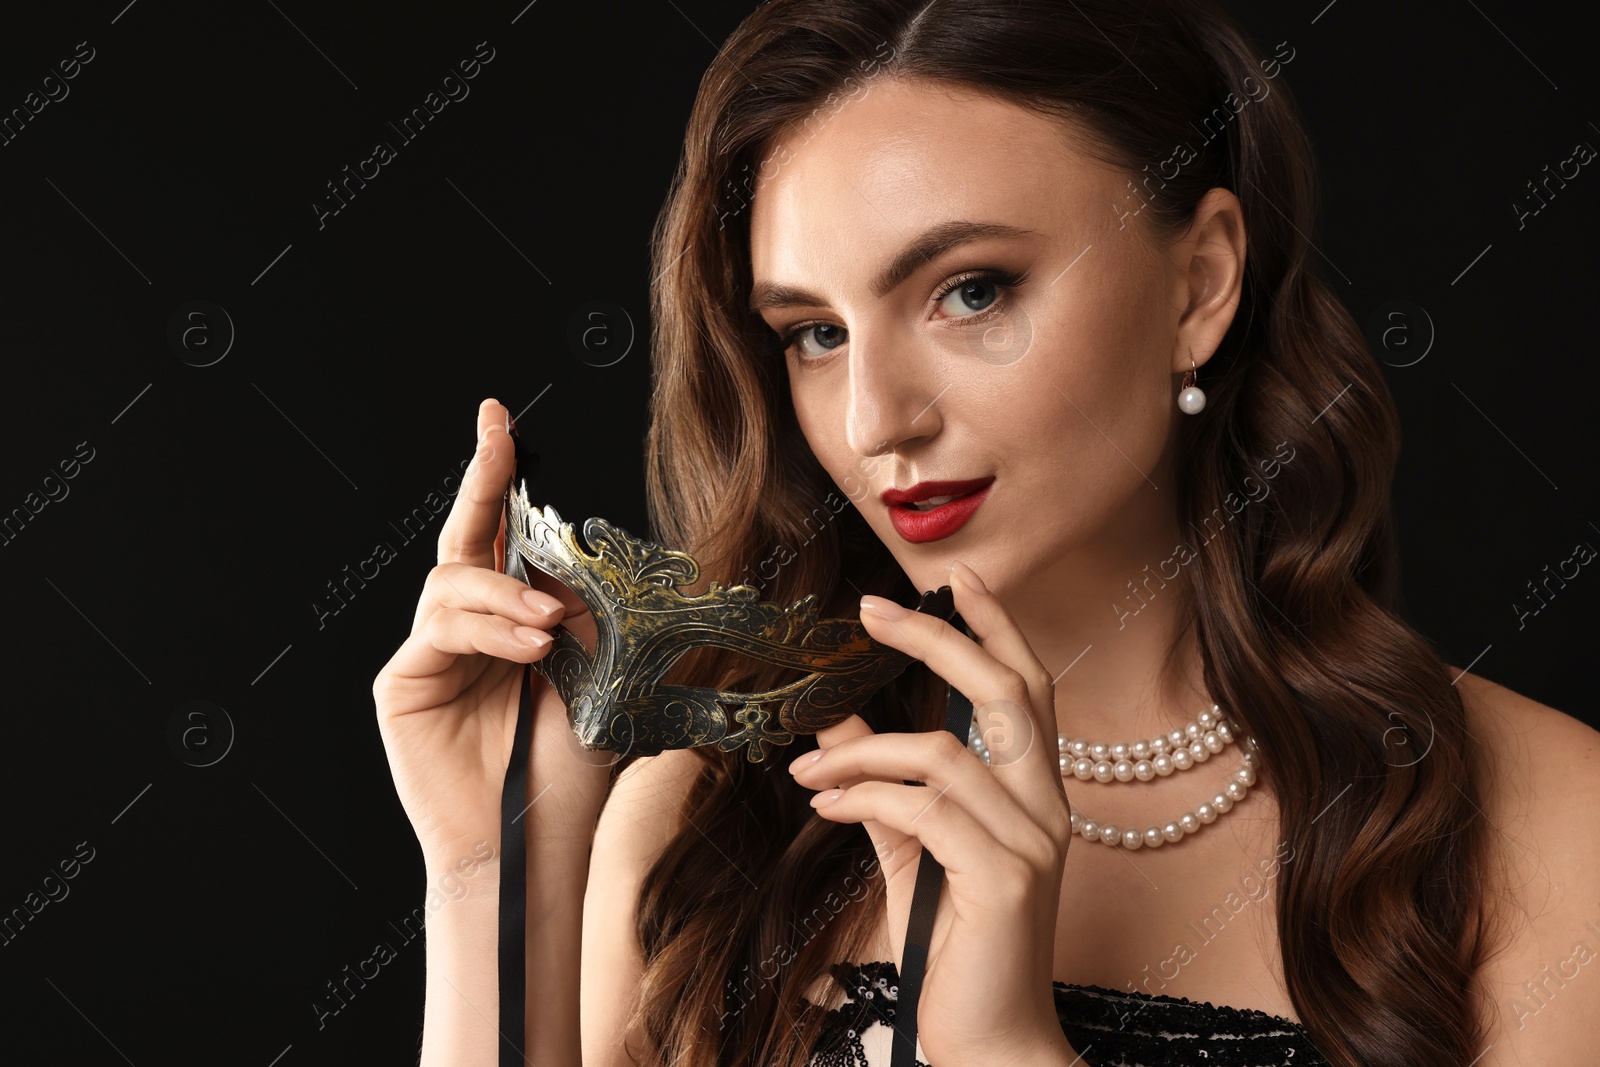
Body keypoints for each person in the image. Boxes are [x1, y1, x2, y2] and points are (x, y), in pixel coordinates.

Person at [372, 1, 1600, 1064]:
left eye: (970, 291)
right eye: (814, 332)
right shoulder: (708, 822)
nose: (871, 420)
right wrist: (495, 872)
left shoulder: (1544, 829)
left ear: (1200, 281)